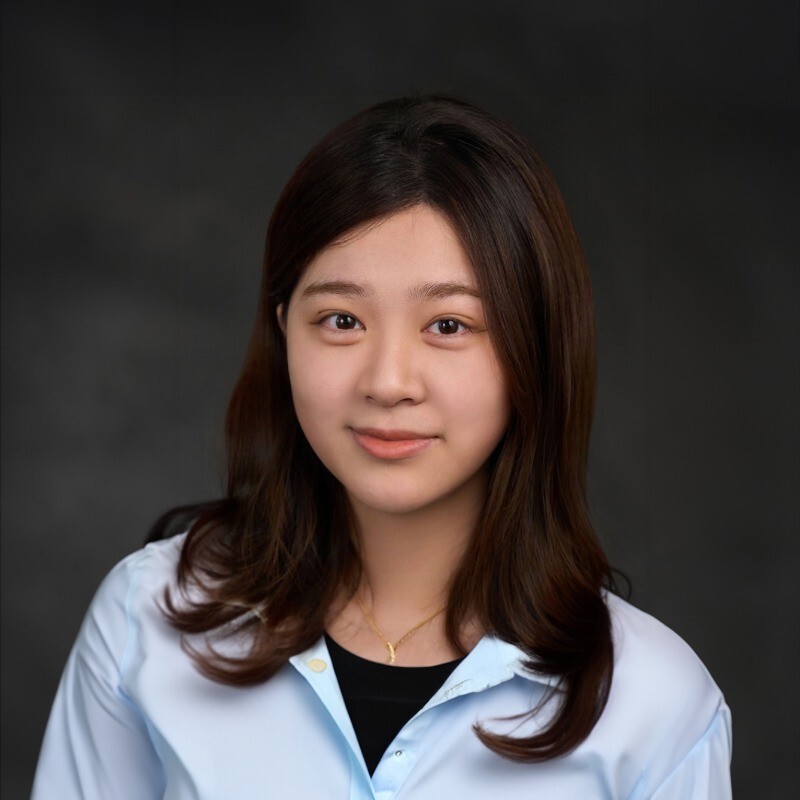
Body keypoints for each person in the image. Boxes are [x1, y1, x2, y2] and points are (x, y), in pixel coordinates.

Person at [31, 94, 732, 799]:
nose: (389, 382)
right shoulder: (146, 623)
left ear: (535, 350)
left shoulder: (655, 706)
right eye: (341, 320)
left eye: (450, 326)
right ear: (284, 333)